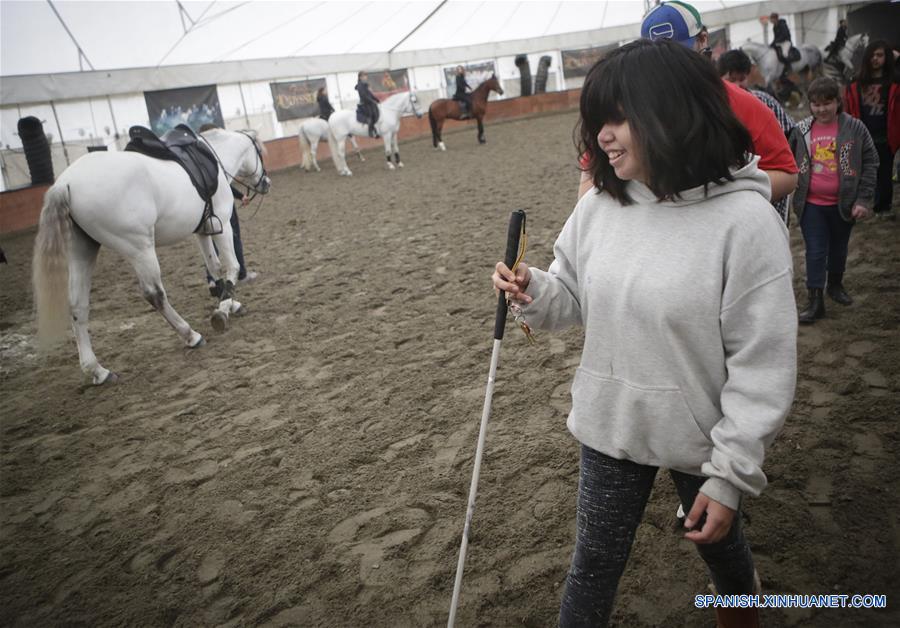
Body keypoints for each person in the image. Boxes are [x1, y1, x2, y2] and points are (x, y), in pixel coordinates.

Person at [495, 39, 797, 628]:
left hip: (704, 434)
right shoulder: (600, 206)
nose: (600, 138)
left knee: (720, 551)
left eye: (616, 119)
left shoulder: (746, 222)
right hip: (613, 422)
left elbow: (763, 364)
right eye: (594, 122)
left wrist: (730, 476)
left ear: (672, 112)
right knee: (593, 565)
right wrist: (533, 287)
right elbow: (574, 297)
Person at [579, 1, 798, 203]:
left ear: (702, 39)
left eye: (678, 52)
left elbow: (787, 175)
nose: (670, 66)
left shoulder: (739, 102)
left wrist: (714, 195)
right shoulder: (625, 107)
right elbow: (589, 184)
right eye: (659, 58)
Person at [789, 77, 879, 324]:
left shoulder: (855, 128)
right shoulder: (802, 129)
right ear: (810, 105)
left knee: (839, 248)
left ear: (838, 102)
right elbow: (788, 158)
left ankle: (835, 286)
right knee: (816, 251)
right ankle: (815, 299)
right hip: (810, 205)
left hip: (845, 203)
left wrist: (863, 199)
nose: (822, 109)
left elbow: (871, 162)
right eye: (816, 104)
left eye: (827, 103)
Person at [718, 48, 796, 224]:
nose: (738, 85)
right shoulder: (714, 109)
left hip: (771, 192)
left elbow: (792, 134)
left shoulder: (764, 101)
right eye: (731, 79)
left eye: (742, 78)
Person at [843, 40, 899, 219]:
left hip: (886, 135)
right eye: (872, 55)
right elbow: (848, 108)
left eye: (880, 55)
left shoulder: (895, 81)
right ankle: (859, 204)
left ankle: (882, 207)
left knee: (884, 172)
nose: (875, 59)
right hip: (862, 135)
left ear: (887, 57)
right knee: (859, 171)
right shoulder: (856, 82)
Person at [769, 12, 795, 78]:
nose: (771, 21)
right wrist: (771, 44)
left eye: (771, 19)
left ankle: (789, 68)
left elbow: (784, 35)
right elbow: (775, 37)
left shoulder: (782, 24)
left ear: (775, 19)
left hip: (786, 41)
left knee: (784, 53)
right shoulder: (774, 27)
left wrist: (776, 41)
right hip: (779, 42)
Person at [355, 71, 381, 138]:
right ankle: (370, 132)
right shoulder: (360, 85)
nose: (365, 77)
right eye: (364, 76)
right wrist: (372, 101)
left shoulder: (365, 84)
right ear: (360, 77)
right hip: (364, 104)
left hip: (369, 103)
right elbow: (364, 96)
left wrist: (377, 99)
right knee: (371, 115)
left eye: (366, 76)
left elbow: (370, 94)